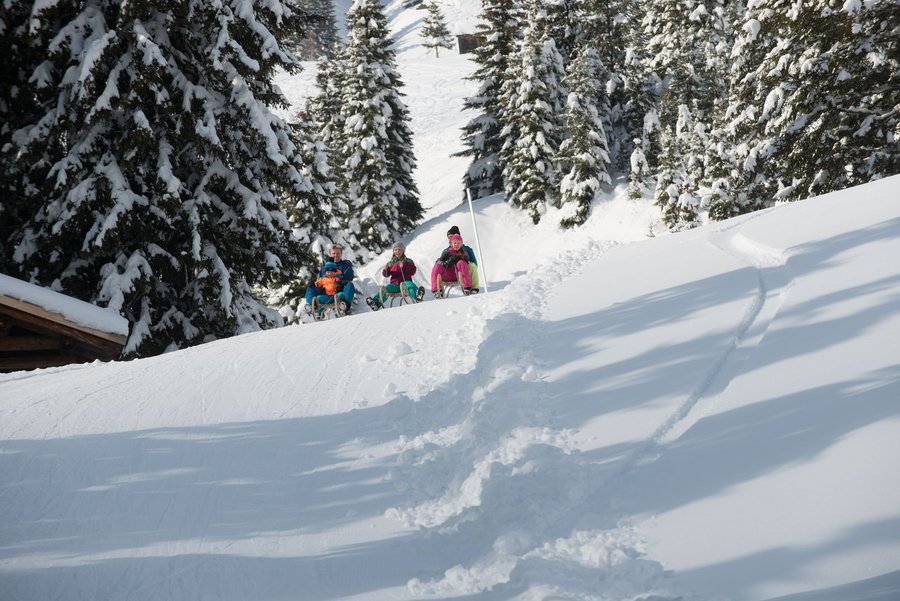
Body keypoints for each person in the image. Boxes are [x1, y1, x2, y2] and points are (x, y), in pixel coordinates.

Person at [365, 242, 424, 311]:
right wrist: (385, 269)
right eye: (395, 249)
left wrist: (404, 265)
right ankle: (375, 303)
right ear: (393, 251)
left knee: (410, 285)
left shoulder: (408, 261)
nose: (397, 251)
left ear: (403, 251)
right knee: (386, 288)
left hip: (405, 284)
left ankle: (417, 296)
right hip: (395, 285)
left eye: (399, 249)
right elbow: (386, 275)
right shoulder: (391, 263)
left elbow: (413, 271)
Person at [305, 243, 356, 314]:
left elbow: (349, 277)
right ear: (330, 254)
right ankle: (312, 306)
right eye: (333, 253)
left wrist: (341, 282)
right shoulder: (325, 267)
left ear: (341, 254)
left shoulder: (345, 264)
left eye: (338, 253)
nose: (336, 255)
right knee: (310, 287)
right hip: (325, 292)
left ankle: (344, 305)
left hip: (339, 291)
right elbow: (320, 280)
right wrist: (314, 283)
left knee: (350, 285)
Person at [445, 225, 479, 292]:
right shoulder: (446, 251)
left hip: (466, 271)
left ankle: (474, 288)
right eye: (448, 237)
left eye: (451, 236)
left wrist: (467, 263)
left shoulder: (467, 249)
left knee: (472, 265)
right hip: (453, 273)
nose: (450, 239)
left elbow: (475, 263)